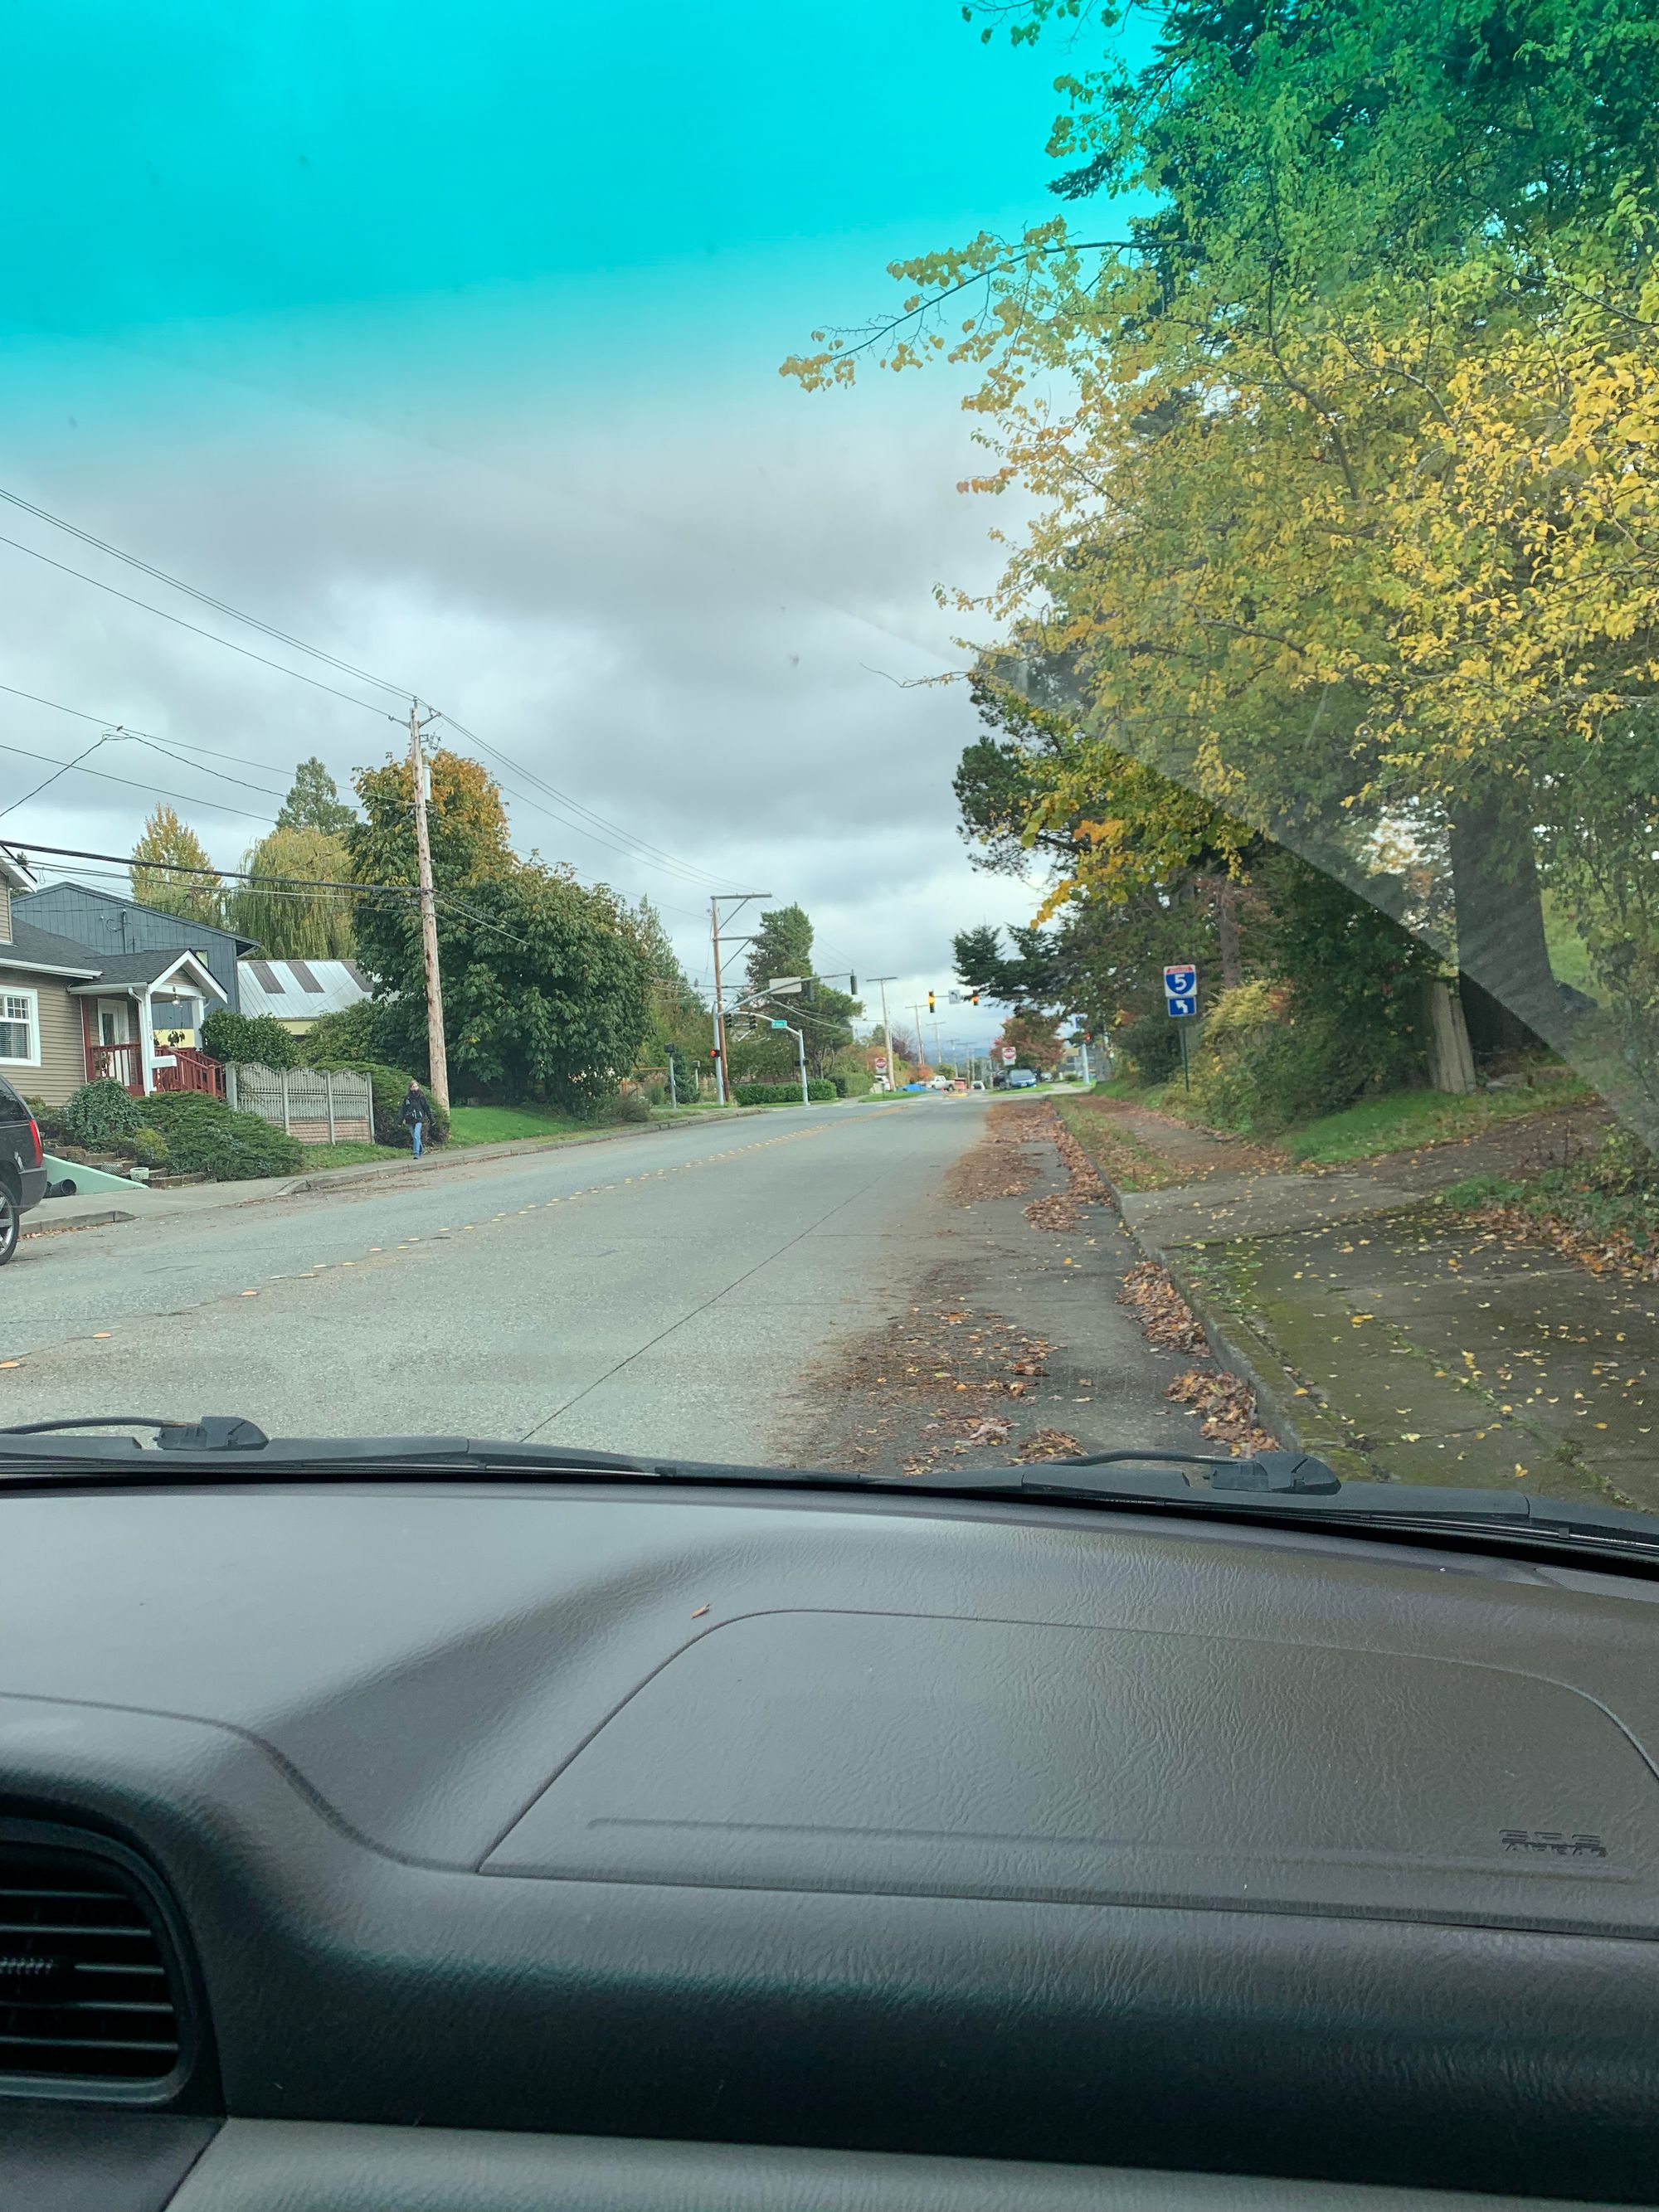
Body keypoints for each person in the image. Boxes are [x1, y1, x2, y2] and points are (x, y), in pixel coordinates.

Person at [401, 1078, 433, 1159]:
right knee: (414, 1136)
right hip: (410, 1119)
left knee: (416, 1135)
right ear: (410, 1088)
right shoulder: (407, 1098)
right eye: (413, 1087)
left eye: (416, 1086)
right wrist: (400, 1121)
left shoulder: (421, 1097)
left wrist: (432, 1119)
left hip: (419, 1119)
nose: (415, 1088)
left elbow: (426, 1108)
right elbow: (403, 1110)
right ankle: (421, 1149)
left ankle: (416, 1153)